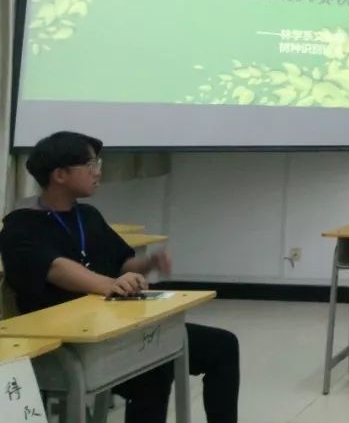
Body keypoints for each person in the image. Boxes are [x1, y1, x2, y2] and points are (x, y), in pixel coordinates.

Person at [0, 131, 240, 423]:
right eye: (90, 165)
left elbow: (121, 262)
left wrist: (146, 264)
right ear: (60, 175)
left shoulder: (87, 215)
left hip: (115, 327)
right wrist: (109, 284)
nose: (97, 172)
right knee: (154, 368)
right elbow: (56, 268)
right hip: (68, 343)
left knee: (222, 346)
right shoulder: (21, 225)